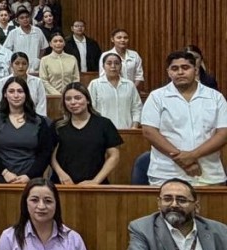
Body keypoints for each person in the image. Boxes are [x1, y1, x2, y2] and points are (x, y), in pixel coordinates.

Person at [126, 178, 227, 250]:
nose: (174, 204)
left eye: (182, 200)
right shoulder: (143, 228)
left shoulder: (219, 230)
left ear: (196, 206)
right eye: (167, 199)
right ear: (159, 203)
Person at [141, 51, 227, 186]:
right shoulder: (157, 97)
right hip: (166, 173)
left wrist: (193, 155)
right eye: (175, 69)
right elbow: (149, 131)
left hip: (209, 174)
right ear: (168, 72)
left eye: (185, 67)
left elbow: (223, 133)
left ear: (196, 70)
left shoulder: (215, 97)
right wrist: (184, 160)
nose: (180, 72)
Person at [0, 178, 94, 250]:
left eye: (48, 201)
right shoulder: (9, 238)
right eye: (34, 200)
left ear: (56, 204)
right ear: (25, 203)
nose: (41, 206)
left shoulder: (73, 239)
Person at [0, 77, 54, 184]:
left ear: (26, 94)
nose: (16, 95)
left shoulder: (40, 121)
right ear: (5, 94)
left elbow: (45, 153)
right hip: (0, 178)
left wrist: (29, 176)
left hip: (31, 180)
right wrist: (5, 172)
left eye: (20, 91)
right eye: (11, 91)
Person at [51, 83, 123, 185]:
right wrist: (61, 174)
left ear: (88, 100)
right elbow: (50, 155)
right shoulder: (57, 125)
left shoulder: (104, 124)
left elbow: (114, 156)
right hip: (63, 184)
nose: (73, 102)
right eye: (68, 99)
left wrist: (95, 181)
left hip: (96, 184)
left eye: (78, 98)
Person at [87, 52, 142, 130]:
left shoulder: (129, 85)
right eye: (109, 63)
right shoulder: (95, 84)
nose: (113, 66)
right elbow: (90, 109)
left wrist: (134, 127)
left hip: (126, 130)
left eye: (116, 63)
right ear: (103, 66)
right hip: (102, 130)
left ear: (121, 66)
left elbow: (137, 108)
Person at [0, 52, 47, 118]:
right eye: (17, 63)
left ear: (28, 65)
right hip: (8, 118)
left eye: (24, 63)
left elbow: (41, 104)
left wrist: (38, 120)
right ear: (11, 65)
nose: (21, 66)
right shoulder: (3, 82)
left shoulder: (37, 82)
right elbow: (1, 103)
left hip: (33, 118)